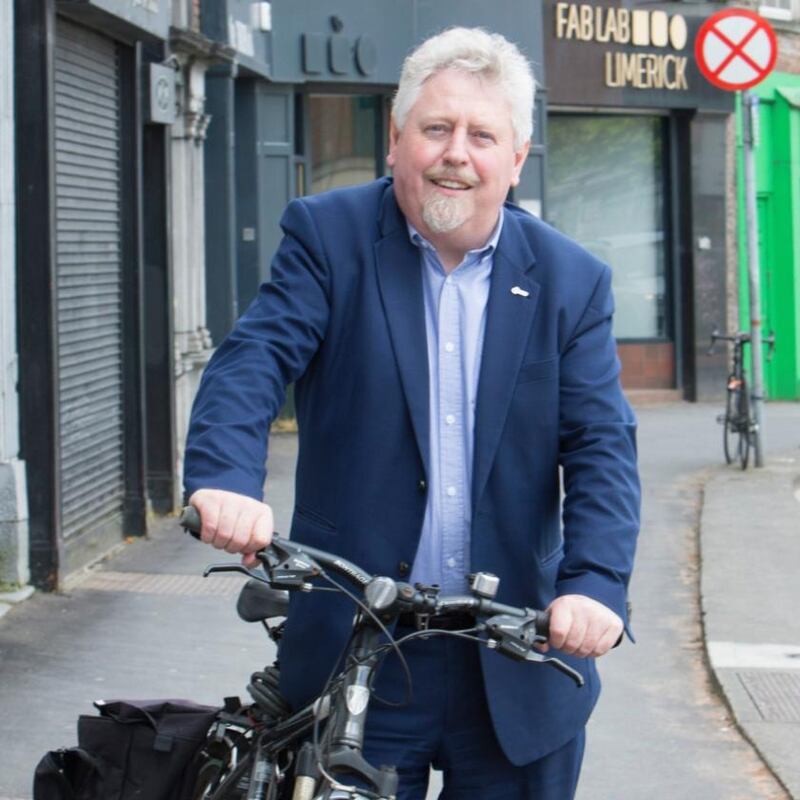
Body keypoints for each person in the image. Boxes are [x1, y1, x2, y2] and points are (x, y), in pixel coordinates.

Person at [184, 26, 640, 799]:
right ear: (396, 142)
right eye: (435, 128)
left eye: (482, 135)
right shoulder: (328, 237)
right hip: (357, 653)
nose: (456, 153)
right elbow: (254, 360)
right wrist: (226, 477)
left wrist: (595, 584)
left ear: (516, 159)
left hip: (516, 654)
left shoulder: (572, 281)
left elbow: (600, 444)